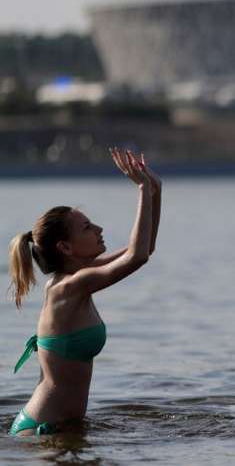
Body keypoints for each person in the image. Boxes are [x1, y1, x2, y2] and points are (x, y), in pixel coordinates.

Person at [7, 149, 161, 435]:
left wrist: (155, 190)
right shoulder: (68, 287)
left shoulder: (76, 277)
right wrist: (142, 189)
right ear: (65, 247)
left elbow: (144, 249)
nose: (99, 229)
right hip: (42, 429)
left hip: (64, 428)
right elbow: (137, 257)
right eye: (88, 227)